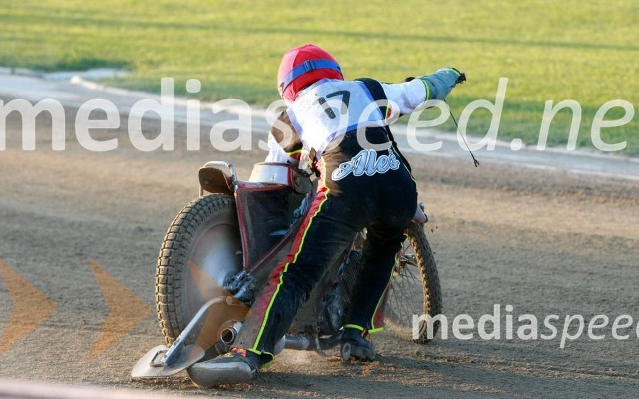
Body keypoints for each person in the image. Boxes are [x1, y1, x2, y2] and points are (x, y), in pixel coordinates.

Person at [188, 44, 464, 388]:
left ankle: (251, 354)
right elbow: (422, 89)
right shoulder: (368, 88)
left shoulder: (290, 117)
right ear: (335, 71)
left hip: (346, 186)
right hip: (399, 186)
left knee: (296, 273)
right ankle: (354, 335)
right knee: (382, 252)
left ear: (288, 89)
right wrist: (450, 75)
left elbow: (272, 178)